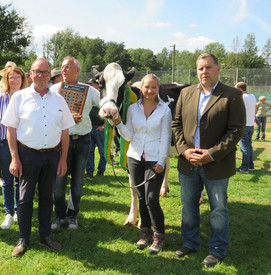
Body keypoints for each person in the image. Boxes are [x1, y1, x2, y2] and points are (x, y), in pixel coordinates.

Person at [172, 53, 246, 267]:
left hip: (216, 164)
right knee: (188, 206)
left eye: (208, 67)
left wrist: (211, 154)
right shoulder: (185, 93)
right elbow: (176, 125)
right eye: (200, 68)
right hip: (188, 163)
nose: (204, 72)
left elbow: (236, 130)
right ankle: (190, 242)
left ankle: (217, 248)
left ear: (218, 69)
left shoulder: (231, 95)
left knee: (218, 208)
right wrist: (185, 151)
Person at [1, 58, 74, 257]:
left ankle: (45, 236)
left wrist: (63, 158)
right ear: (30, 74)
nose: (41, 75)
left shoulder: (59, 100)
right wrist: (15, 158)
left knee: (46, 198)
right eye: (37, 71)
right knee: (24, 199)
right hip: (27, 155)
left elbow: (65, 132)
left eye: (45, 72)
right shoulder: (19, 97)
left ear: (50, 75)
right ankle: (23, 238)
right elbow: (11, 130)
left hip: (52, 155)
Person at [112, 74, 171, 254]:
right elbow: (129, 135)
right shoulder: (132, 109)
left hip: (155, 159)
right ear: (141, 88)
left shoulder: (164, 110)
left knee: (152, 199)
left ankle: (159, 235)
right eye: (146, 87)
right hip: (135, 158)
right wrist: (118, 123)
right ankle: (145, 233)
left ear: (158, 89)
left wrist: (162, 160)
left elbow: (165, 137)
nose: (149, 91)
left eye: (153, 87)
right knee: (141, 198)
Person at [50, 56, 100, 230]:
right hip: (60, 141)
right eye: (62, 67)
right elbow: (47, 115)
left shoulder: (90, 91)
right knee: (58, 182)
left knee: (77, 182)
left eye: (68, 67)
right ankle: (59, 216)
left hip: (83, 140)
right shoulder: (54, 90)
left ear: (77, 70)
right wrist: (68, 118)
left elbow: (104, 105)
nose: (63, 70)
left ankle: (73, 215)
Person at [0, 66, 28, 229]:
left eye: (18, 77)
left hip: (23, 144)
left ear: (23, 80)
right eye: (12, 77)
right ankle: (8, 213)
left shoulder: (27, 98)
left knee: (21, 179)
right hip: (4, 144)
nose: (15, 80)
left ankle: (19, 210)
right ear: (7, 79)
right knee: (7, 180)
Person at [85, 78, 106, 178]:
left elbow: (107, 112)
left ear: (97, 85)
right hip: (89, 128)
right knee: (89, 152)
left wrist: (103, 126)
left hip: (99, 128)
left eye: (91, 84)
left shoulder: (102, 97)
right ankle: (89, 172)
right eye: (88, 84)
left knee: (103, 151)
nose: (89, 86)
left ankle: (100, 172)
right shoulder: (87, 96)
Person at [235, 82, 257, 173]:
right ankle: (251, 165)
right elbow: (255, 108)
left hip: (244, 125)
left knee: (244, 147)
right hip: (251, 124)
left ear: (240, 89)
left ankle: (244, 167)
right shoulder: (252, 96)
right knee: (249, 146)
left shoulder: (242, 97)